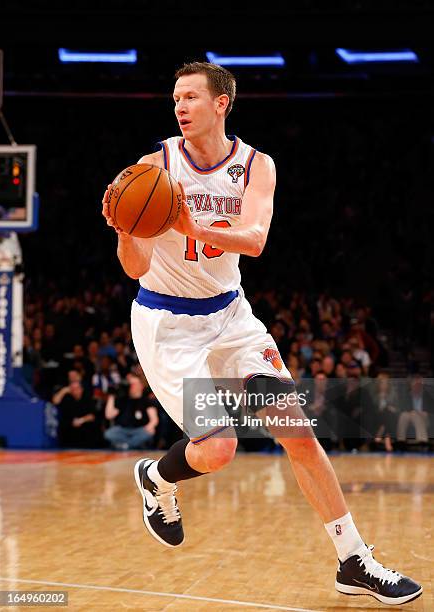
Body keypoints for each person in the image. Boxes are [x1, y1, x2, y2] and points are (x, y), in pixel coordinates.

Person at [102, 61, 422, 605]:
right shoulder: (153, 165)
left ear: (221, 103)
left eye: (190, 97)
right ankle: (158, 475)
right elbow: (134, 267)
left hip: (230, 317)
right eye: (175, 98)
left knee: (298, 430)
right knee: (221, 448)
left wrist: (190, 225)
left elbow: (253, 239)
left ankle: (353, 560)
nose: (179, 106)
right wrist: (126, 229)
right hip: (168, 322)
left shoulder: (256, 166)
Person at [104, 373, 159, 450]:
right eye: (130, 384)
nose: (131, 386)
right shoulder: (124, 400)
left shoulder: (146, 401)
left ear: (141, 386)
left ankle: (125, 445)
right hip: (123, 430)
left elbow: (154, 420)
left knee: (150, 432)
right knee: (109, 433)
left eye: (134, 384)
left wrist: (149, 427)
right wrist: (111, 396)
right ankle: (132, 445)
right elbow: (109, 415)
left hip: (139, 429)